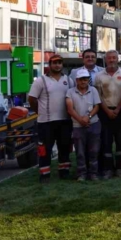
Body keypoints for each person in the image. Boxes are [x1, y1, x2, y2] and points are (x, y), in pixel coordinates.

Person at [28, 54, 72, 183]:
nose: (57, 65)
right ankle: (45, 175)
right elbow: (32, 99)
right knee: (44, 150)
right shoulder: (41, 81)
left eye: (59, 62)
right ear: (50, 64)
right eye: (54, 63)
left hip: (64, 121)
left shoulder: (69, 80)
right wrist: (39, 111)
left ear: (62, 64)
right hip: (46, 122)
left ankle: (64, 172)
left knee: (64, 147)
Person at [95, 50, 121, 179]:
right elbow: (98, 96)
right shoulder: (99, 76)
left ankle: (120, 168)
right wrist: (107, 110)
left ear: (118, 59)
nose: (111, 60)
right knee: (106, 141)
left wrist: (117, 109)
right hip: (105, 112)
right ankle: (108, 169)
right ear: (105, 59)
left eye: (114, 58)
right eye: (109, 58)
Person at [65, 69, 102, 182]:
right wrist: (80, 120)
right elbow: (70, 109)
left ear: (88, 80)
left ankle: (93, 173)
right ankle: (82, 174)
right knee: (80, 152)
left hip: (94, 124)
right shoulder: (70, 92)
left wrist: (88, 117)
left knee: (94, 151)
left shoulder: (93, 90)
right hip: (77, 126)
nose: (83, 81)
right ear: (76, 80)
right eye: (81, 79)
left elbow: (97, 106)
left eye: (85, 79)